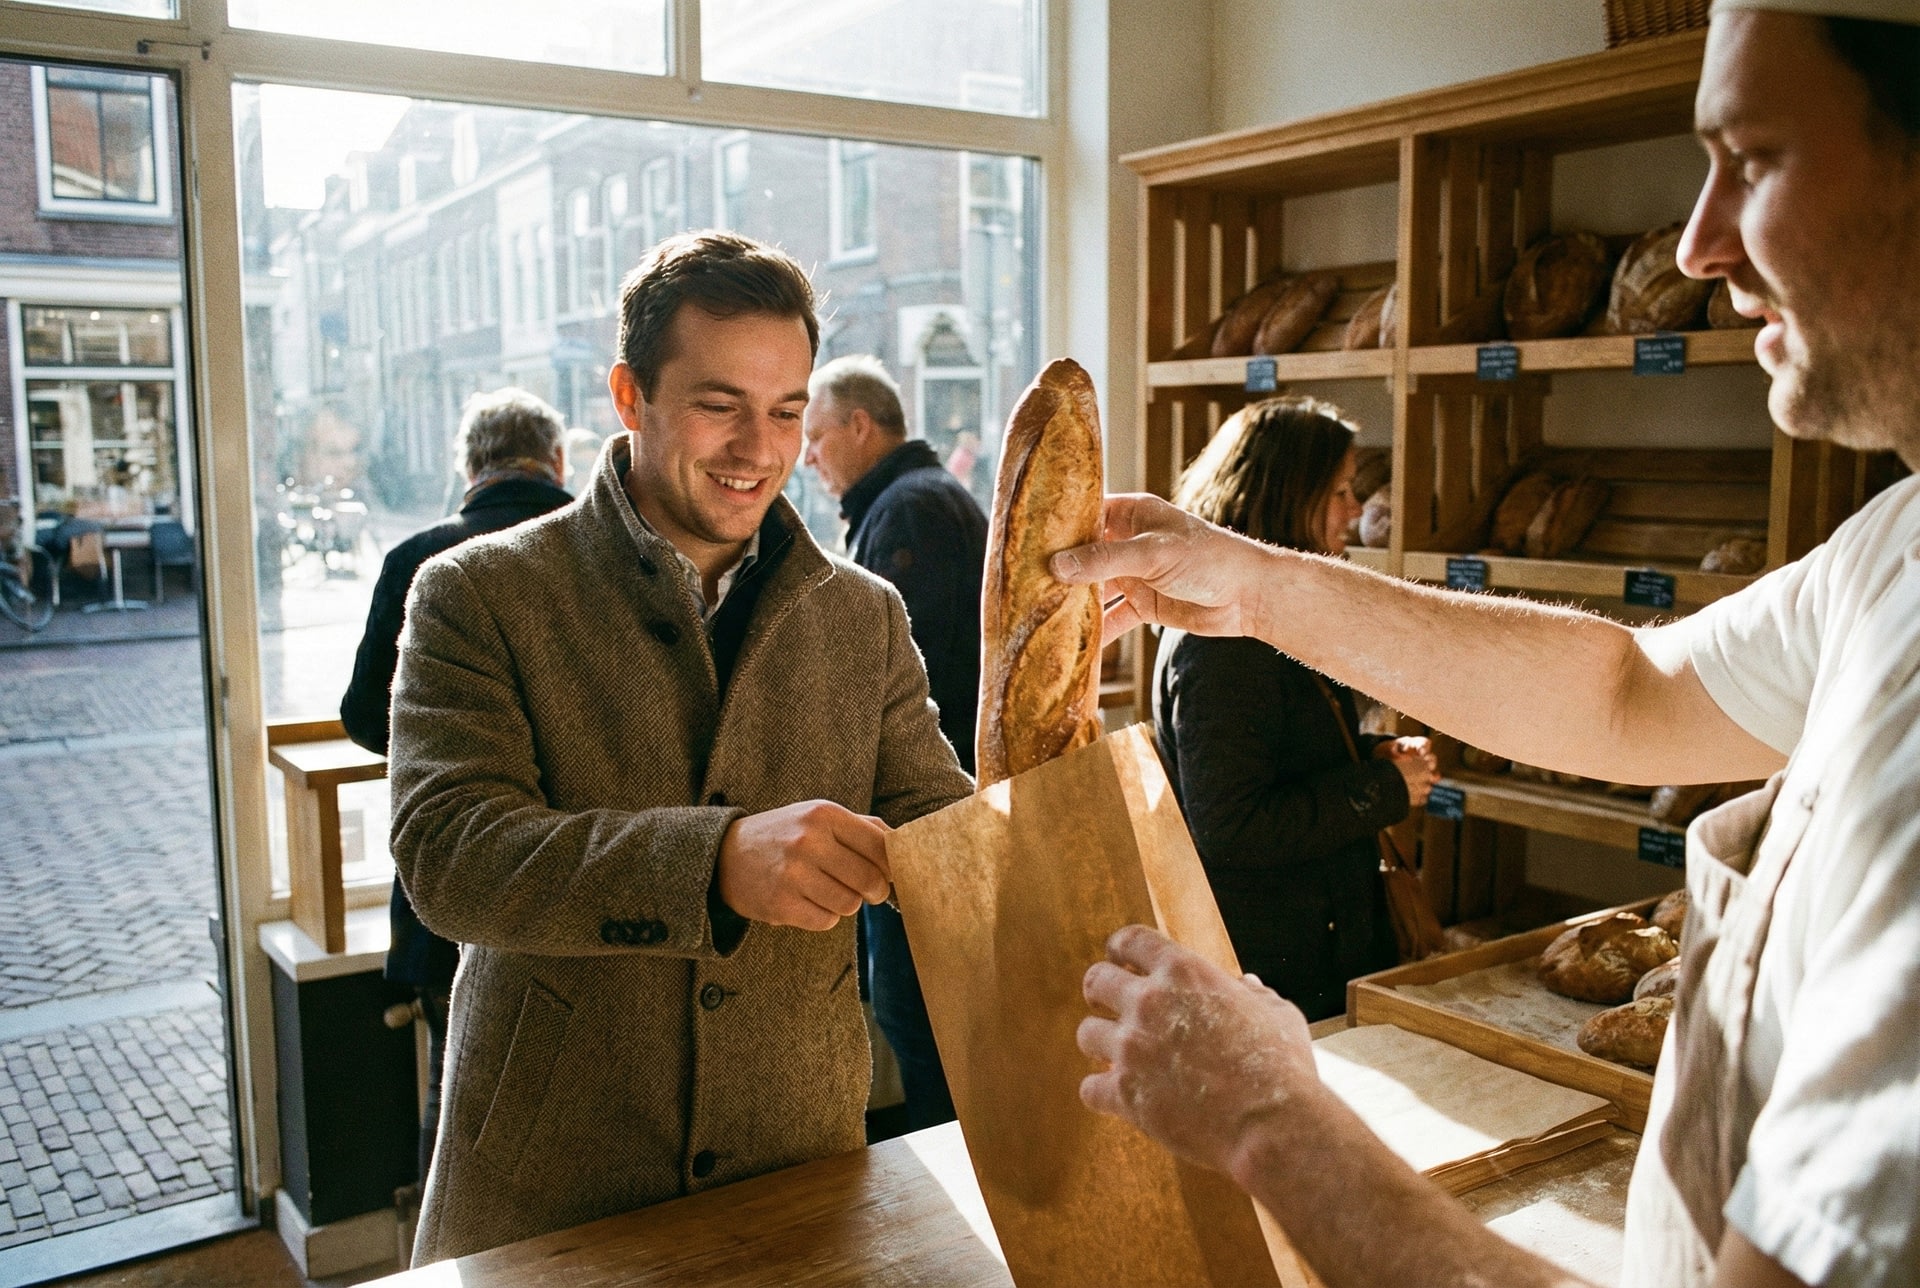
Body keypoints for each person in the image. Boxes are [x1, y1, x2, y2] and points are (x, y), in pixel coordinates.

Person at [1061, 6, 1920, 1286]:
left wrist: (1266, 1118)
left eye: (1753, 158)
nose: (1699, 242)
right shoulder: (1893, 548)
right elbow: (1628, 688)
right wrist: (1255, 584)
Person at [387, 232, 973, 1263]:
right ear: (630, 395)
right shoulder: (477, 592)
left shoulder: (865, 615)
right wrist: (714, 862)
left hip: (796, 1162)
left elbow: (942, 830)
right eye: (719, 404)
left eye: (787, 410)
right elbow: (450, 854)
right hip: (553, 1183)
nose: (759, 447)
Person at [340, 386, 573, 1187]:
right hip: (594, 875)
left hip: (463, 885)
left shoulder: (419, 559)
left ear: (469, 466)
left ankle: (452, 1250)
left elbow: (366, 716)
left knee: (462, 1113)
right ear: (557, 461)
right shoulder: (612, 553)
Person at [1155, 396, 1436, 1022]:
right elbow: (1231, 827)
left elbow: (1282, 752)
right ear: (1286, 497)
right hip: (1282, 979)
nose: (1355, 510)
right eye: (1338, 492)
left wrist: (1371, 754)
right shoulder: (1223, 643)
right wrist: (1384, 788)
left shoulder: (1262, 616)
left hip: (1308, 955)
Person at [801, 354, 988, 1131]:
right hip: (931, 817)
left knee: (923, 1028)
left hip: (922, 820)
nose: (806, 457)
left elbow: (903, 684)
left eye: (814, 435)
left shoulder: (909, 512)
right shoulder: (922, 498)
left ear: (859, 425)